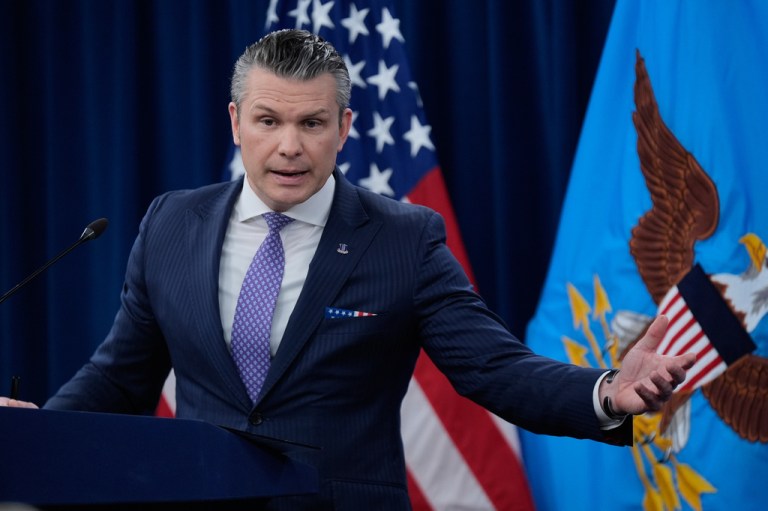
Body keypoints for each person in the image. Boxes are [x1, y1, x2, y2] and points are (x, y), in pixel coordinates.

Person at [0, 29, 694, 509]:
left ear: (345, 126)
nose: (289, 147)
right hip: (198, 498)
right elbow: (121, 375)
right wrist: (36, 438)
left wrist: (606, 391)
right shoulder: (171, 223)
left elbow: (495, 368)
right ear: (236, 120)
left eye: (312, 123)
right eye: (269, 120)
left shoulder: (404, 237)